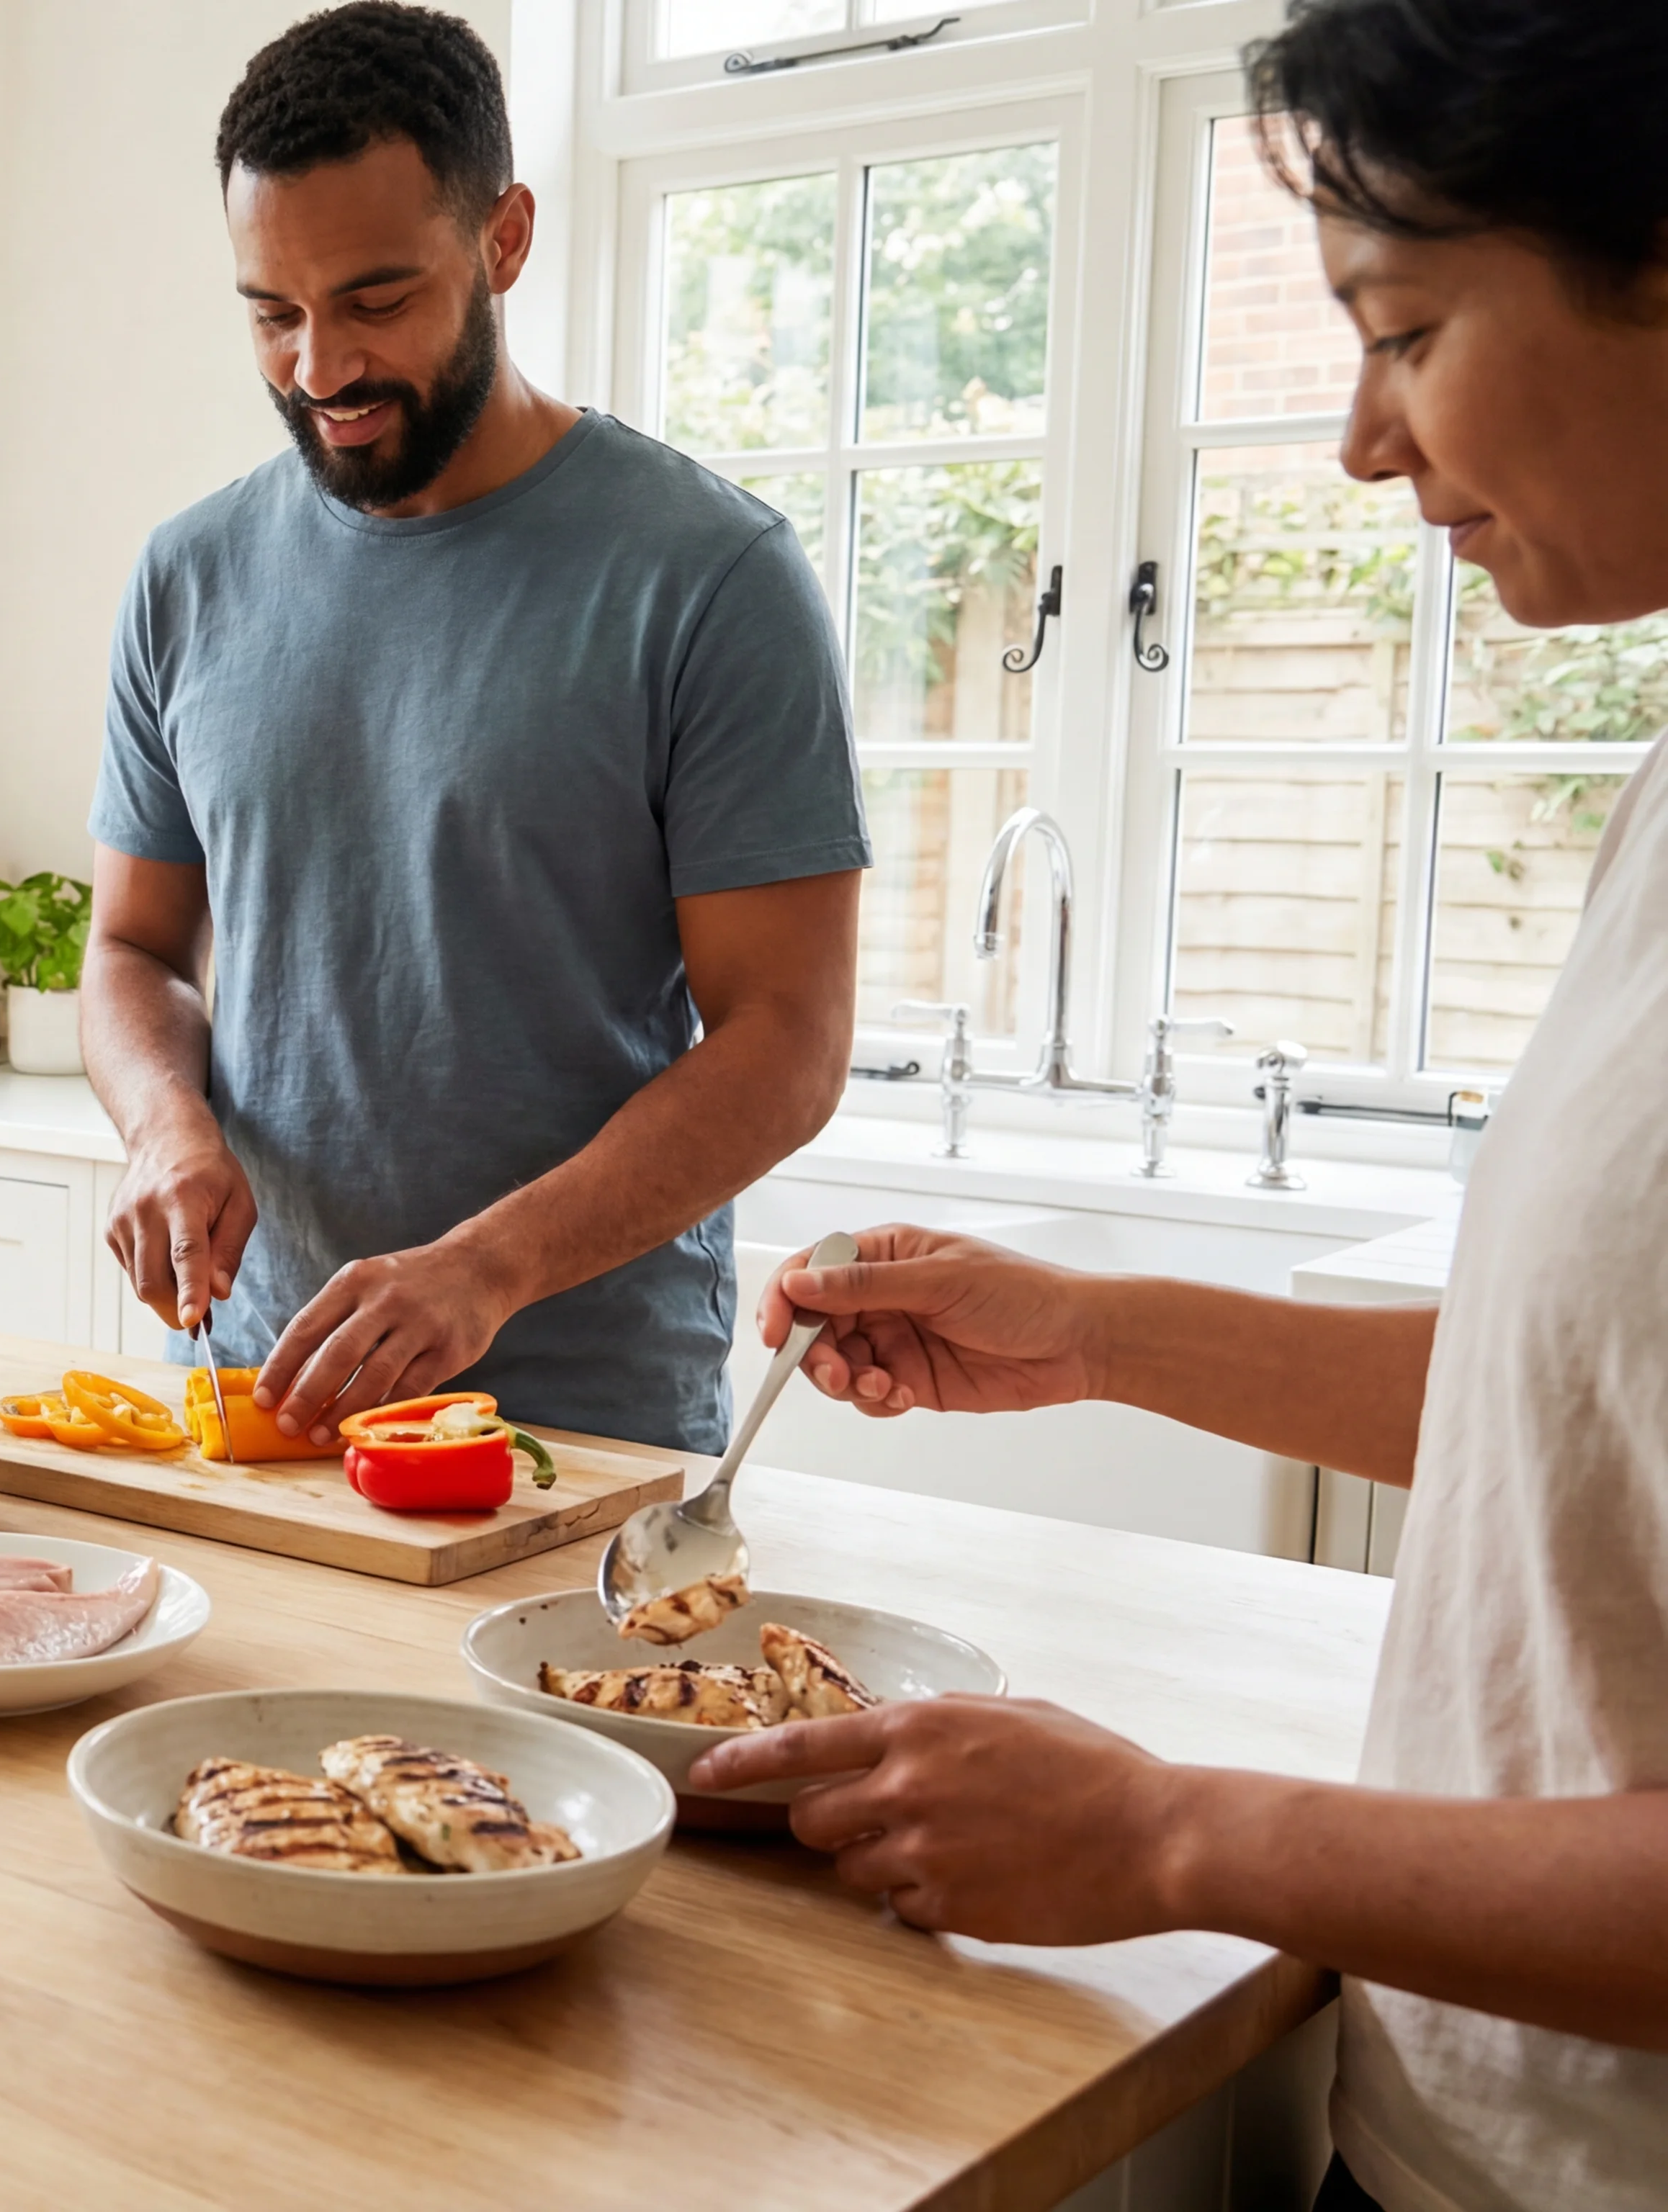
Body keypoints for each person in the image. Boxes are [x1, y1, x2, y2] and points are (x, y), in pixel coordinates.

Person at [687, 6, 1668, 2206]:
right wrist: (1102, 1334)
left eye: (1401, 327)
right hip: (1450, 2138)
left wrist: (1170, 1830)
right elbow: (1586, 1406)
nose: (1356, 441)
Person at [87, 2, 867, 1455]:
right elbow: (132, 951)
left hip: (582, 1435)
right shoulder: (186, 576)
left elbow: (787, 1041)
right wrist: (160, 1121)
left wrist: (484, 1270)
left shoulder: (707, 578)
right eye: (272, 313)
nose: (318, 369)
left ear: (503, 241)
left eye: (376, 300)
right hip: (265, 1402)